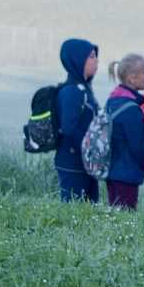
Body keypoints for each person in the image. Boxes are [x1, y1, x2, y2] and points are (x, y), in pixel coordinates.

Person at [103, 53, 144, 211]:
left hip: (112, 169)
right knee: (125, 215)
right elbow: (137, 144)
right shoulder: (130, 109)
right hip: (126, 172)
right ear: (132, 78)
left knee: (116, 213)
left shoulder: (112, 101)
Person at [54, 37, 101, 202]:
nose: (97, 61)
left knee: (89, 212)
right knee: (73, 211)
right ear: (78, 59)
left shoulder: (84, 89)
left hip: (85, 164)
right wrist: (89, 149)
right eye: (92, 56)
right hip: (73, 163)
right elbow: (69, 128)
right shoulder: (71, 92)